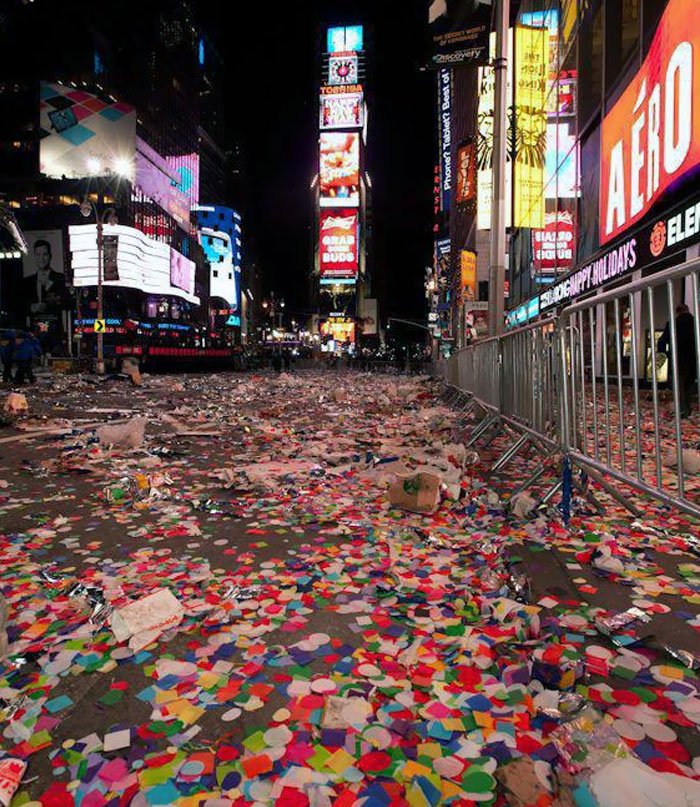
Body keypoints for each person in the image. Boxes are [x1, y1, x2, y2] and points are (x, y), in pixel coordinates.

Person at [659, 304, 697, 419]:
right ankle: (687, 407)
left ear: (677, 312)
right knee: (689, 384)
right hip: (692, 359)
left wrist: (665, 353)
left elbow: (662, 341)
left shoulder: (672, 323)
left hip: (677, 358)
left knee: (678, 384)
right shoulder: (695, 322)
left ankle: (682, 408)